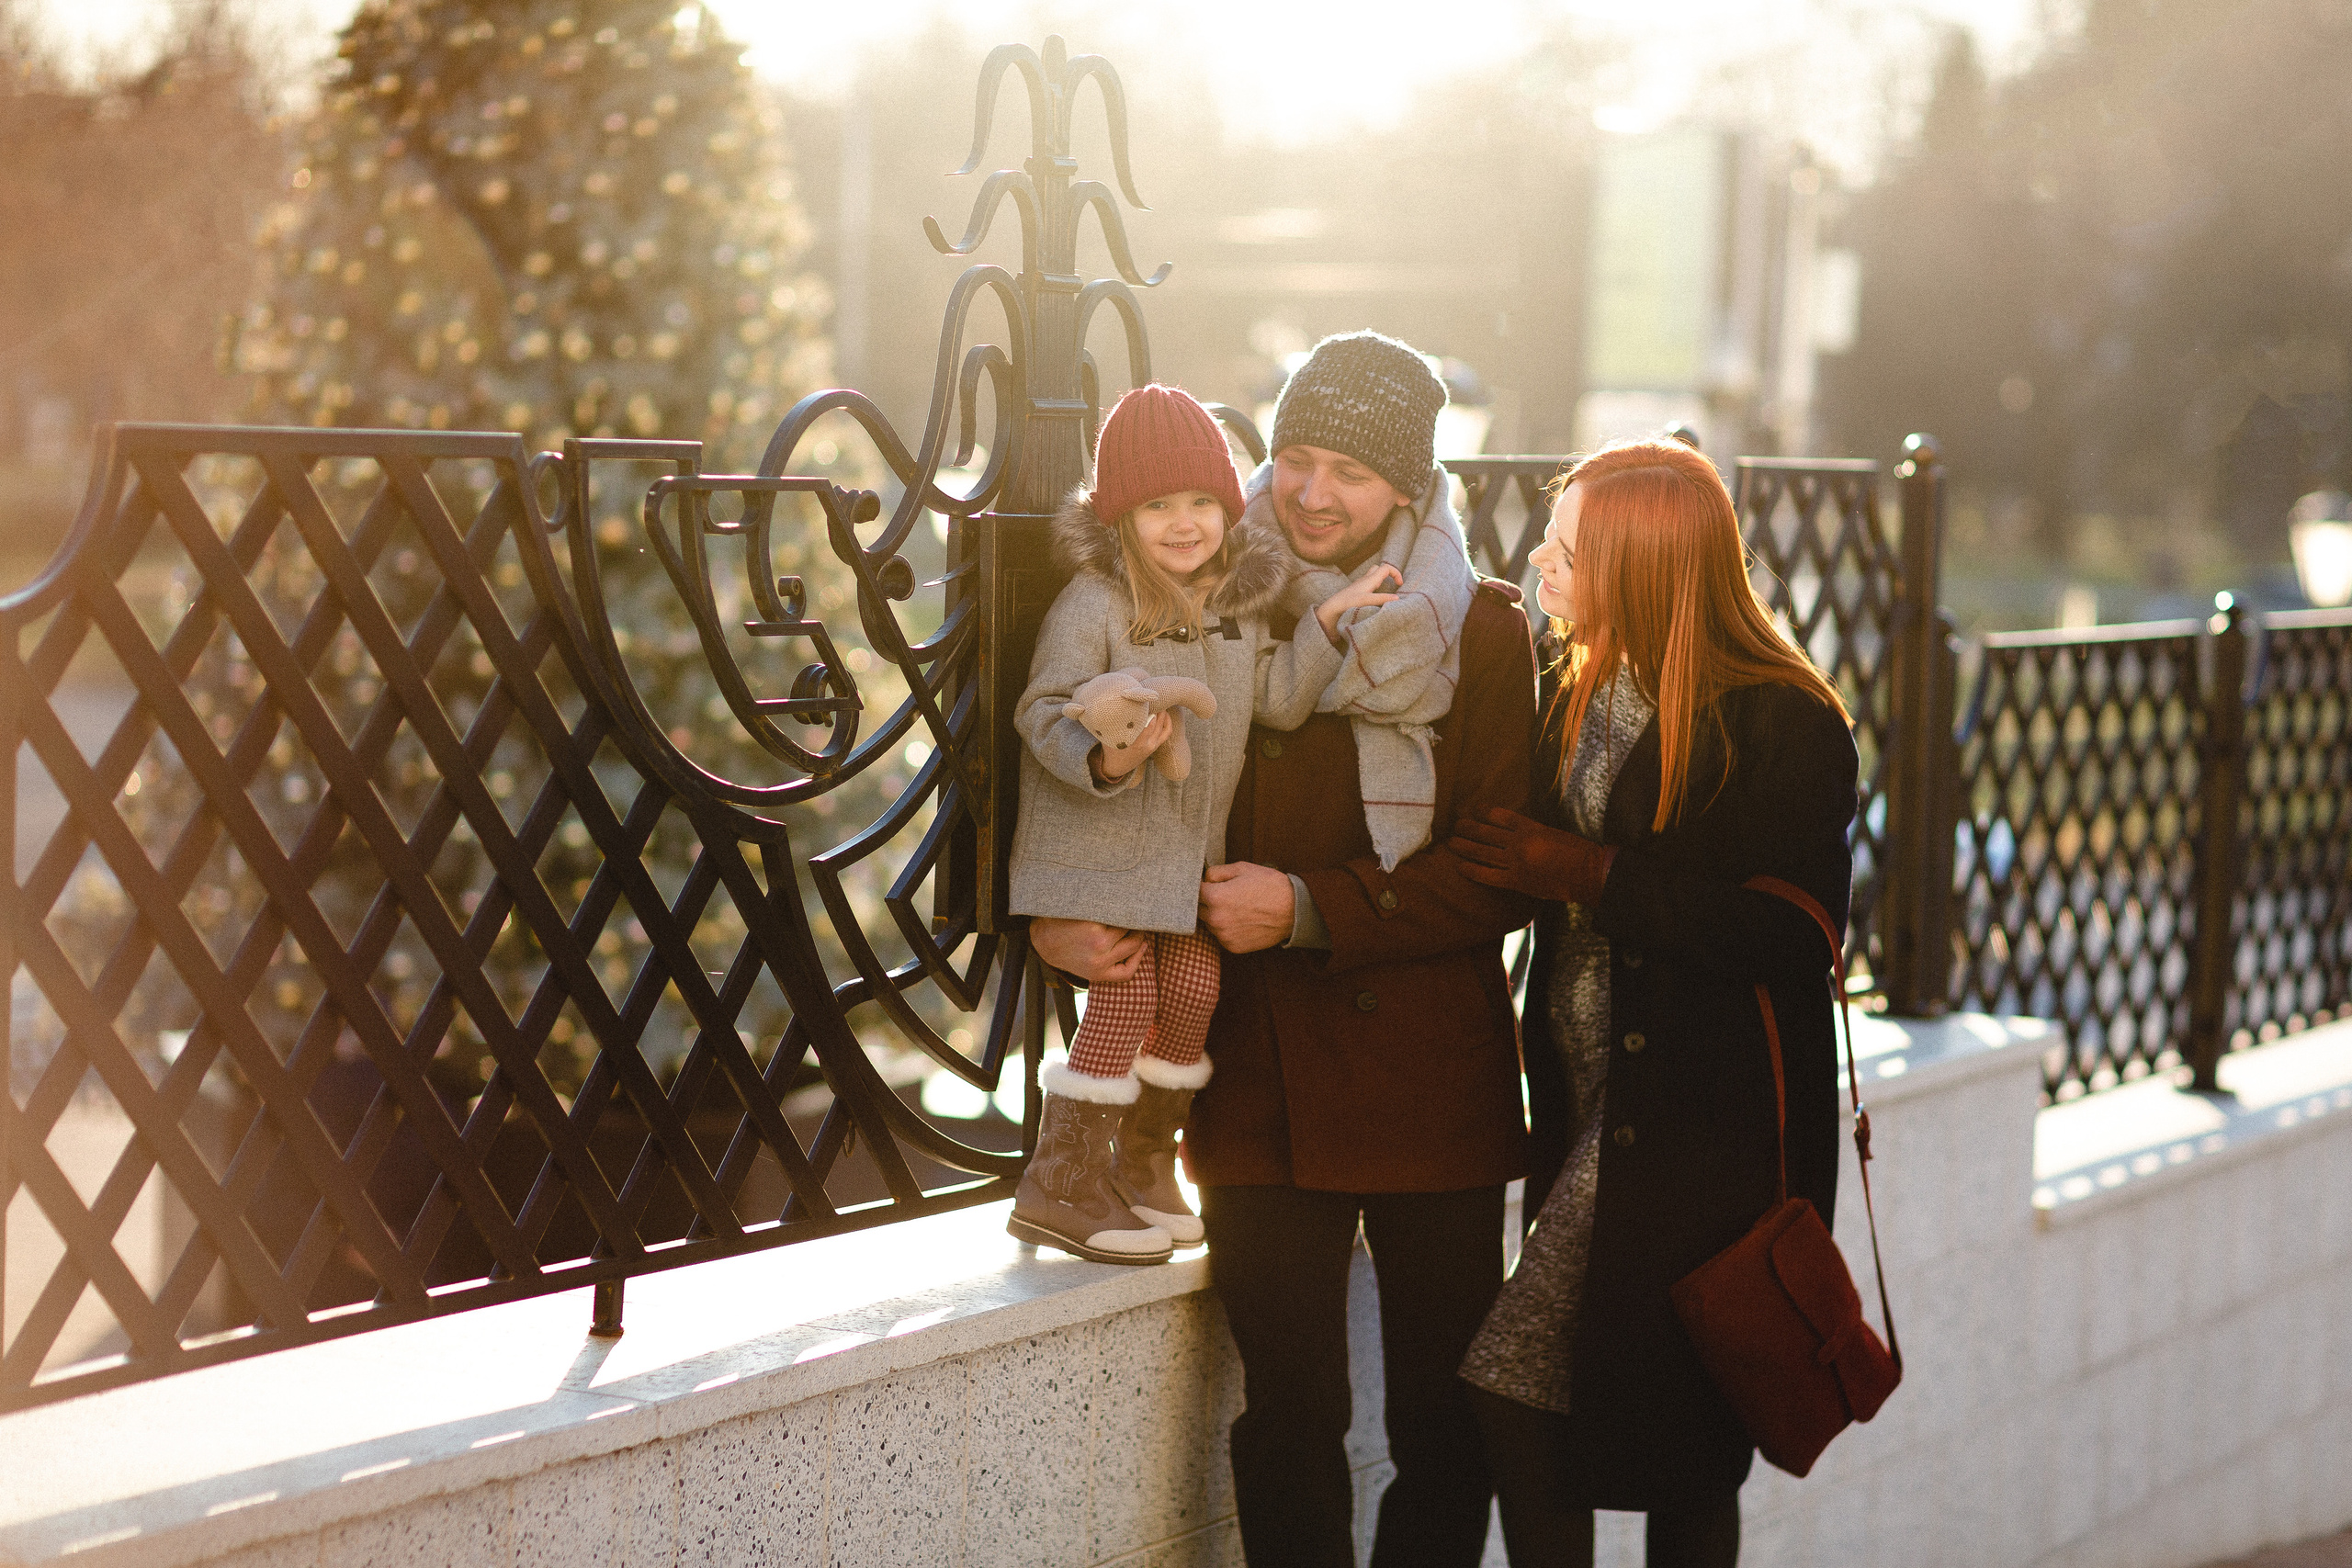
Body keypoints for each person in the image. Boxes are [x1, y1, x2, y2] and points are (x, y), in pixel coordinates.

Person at [1033, 331, 1539, 1568]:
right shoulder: (1195, 593)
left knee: (1444, 1427)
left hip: (1433, 1080)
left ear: (1407, 488)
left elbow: (1499, 868)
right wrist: (1058, 910)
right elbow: (1098, 763)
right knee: (1292, 1415)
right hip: (1257, 1072)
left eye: (1350, 474)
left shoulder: (1481, 630)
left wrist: (1312, 908)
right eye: (1296, 458)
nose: (1311, 494)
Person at [1448, 437, 1859, 1568]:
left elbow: (1796, 935)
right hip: (1584, 1105)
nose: (1541, 561)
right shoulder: (1571, 679)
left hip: (1697, 1134)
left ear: (1643, 570)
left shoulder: (1782, 718)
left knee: (1547, 1396)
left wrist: (1589, 873)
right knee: (1660, 1431)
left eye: (1569, 551)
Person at [1006, 383, 1397, 1266]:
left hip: (1181, 860)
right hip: (1099, 855)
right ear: (1120, 516)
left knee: (1193, 986)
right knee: (1129, 991)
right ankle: (1059, 1183)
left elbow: (1278, 703)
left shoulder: (1236, 609)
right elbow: (1042, 709)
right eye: (1157, 506)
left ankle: (1143, 1163)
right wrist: (1107, 755)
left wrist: (1324, 625)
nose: (1183, 524)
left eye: (1200, 502)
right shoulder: (1096, 602)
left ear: (1227, 508)